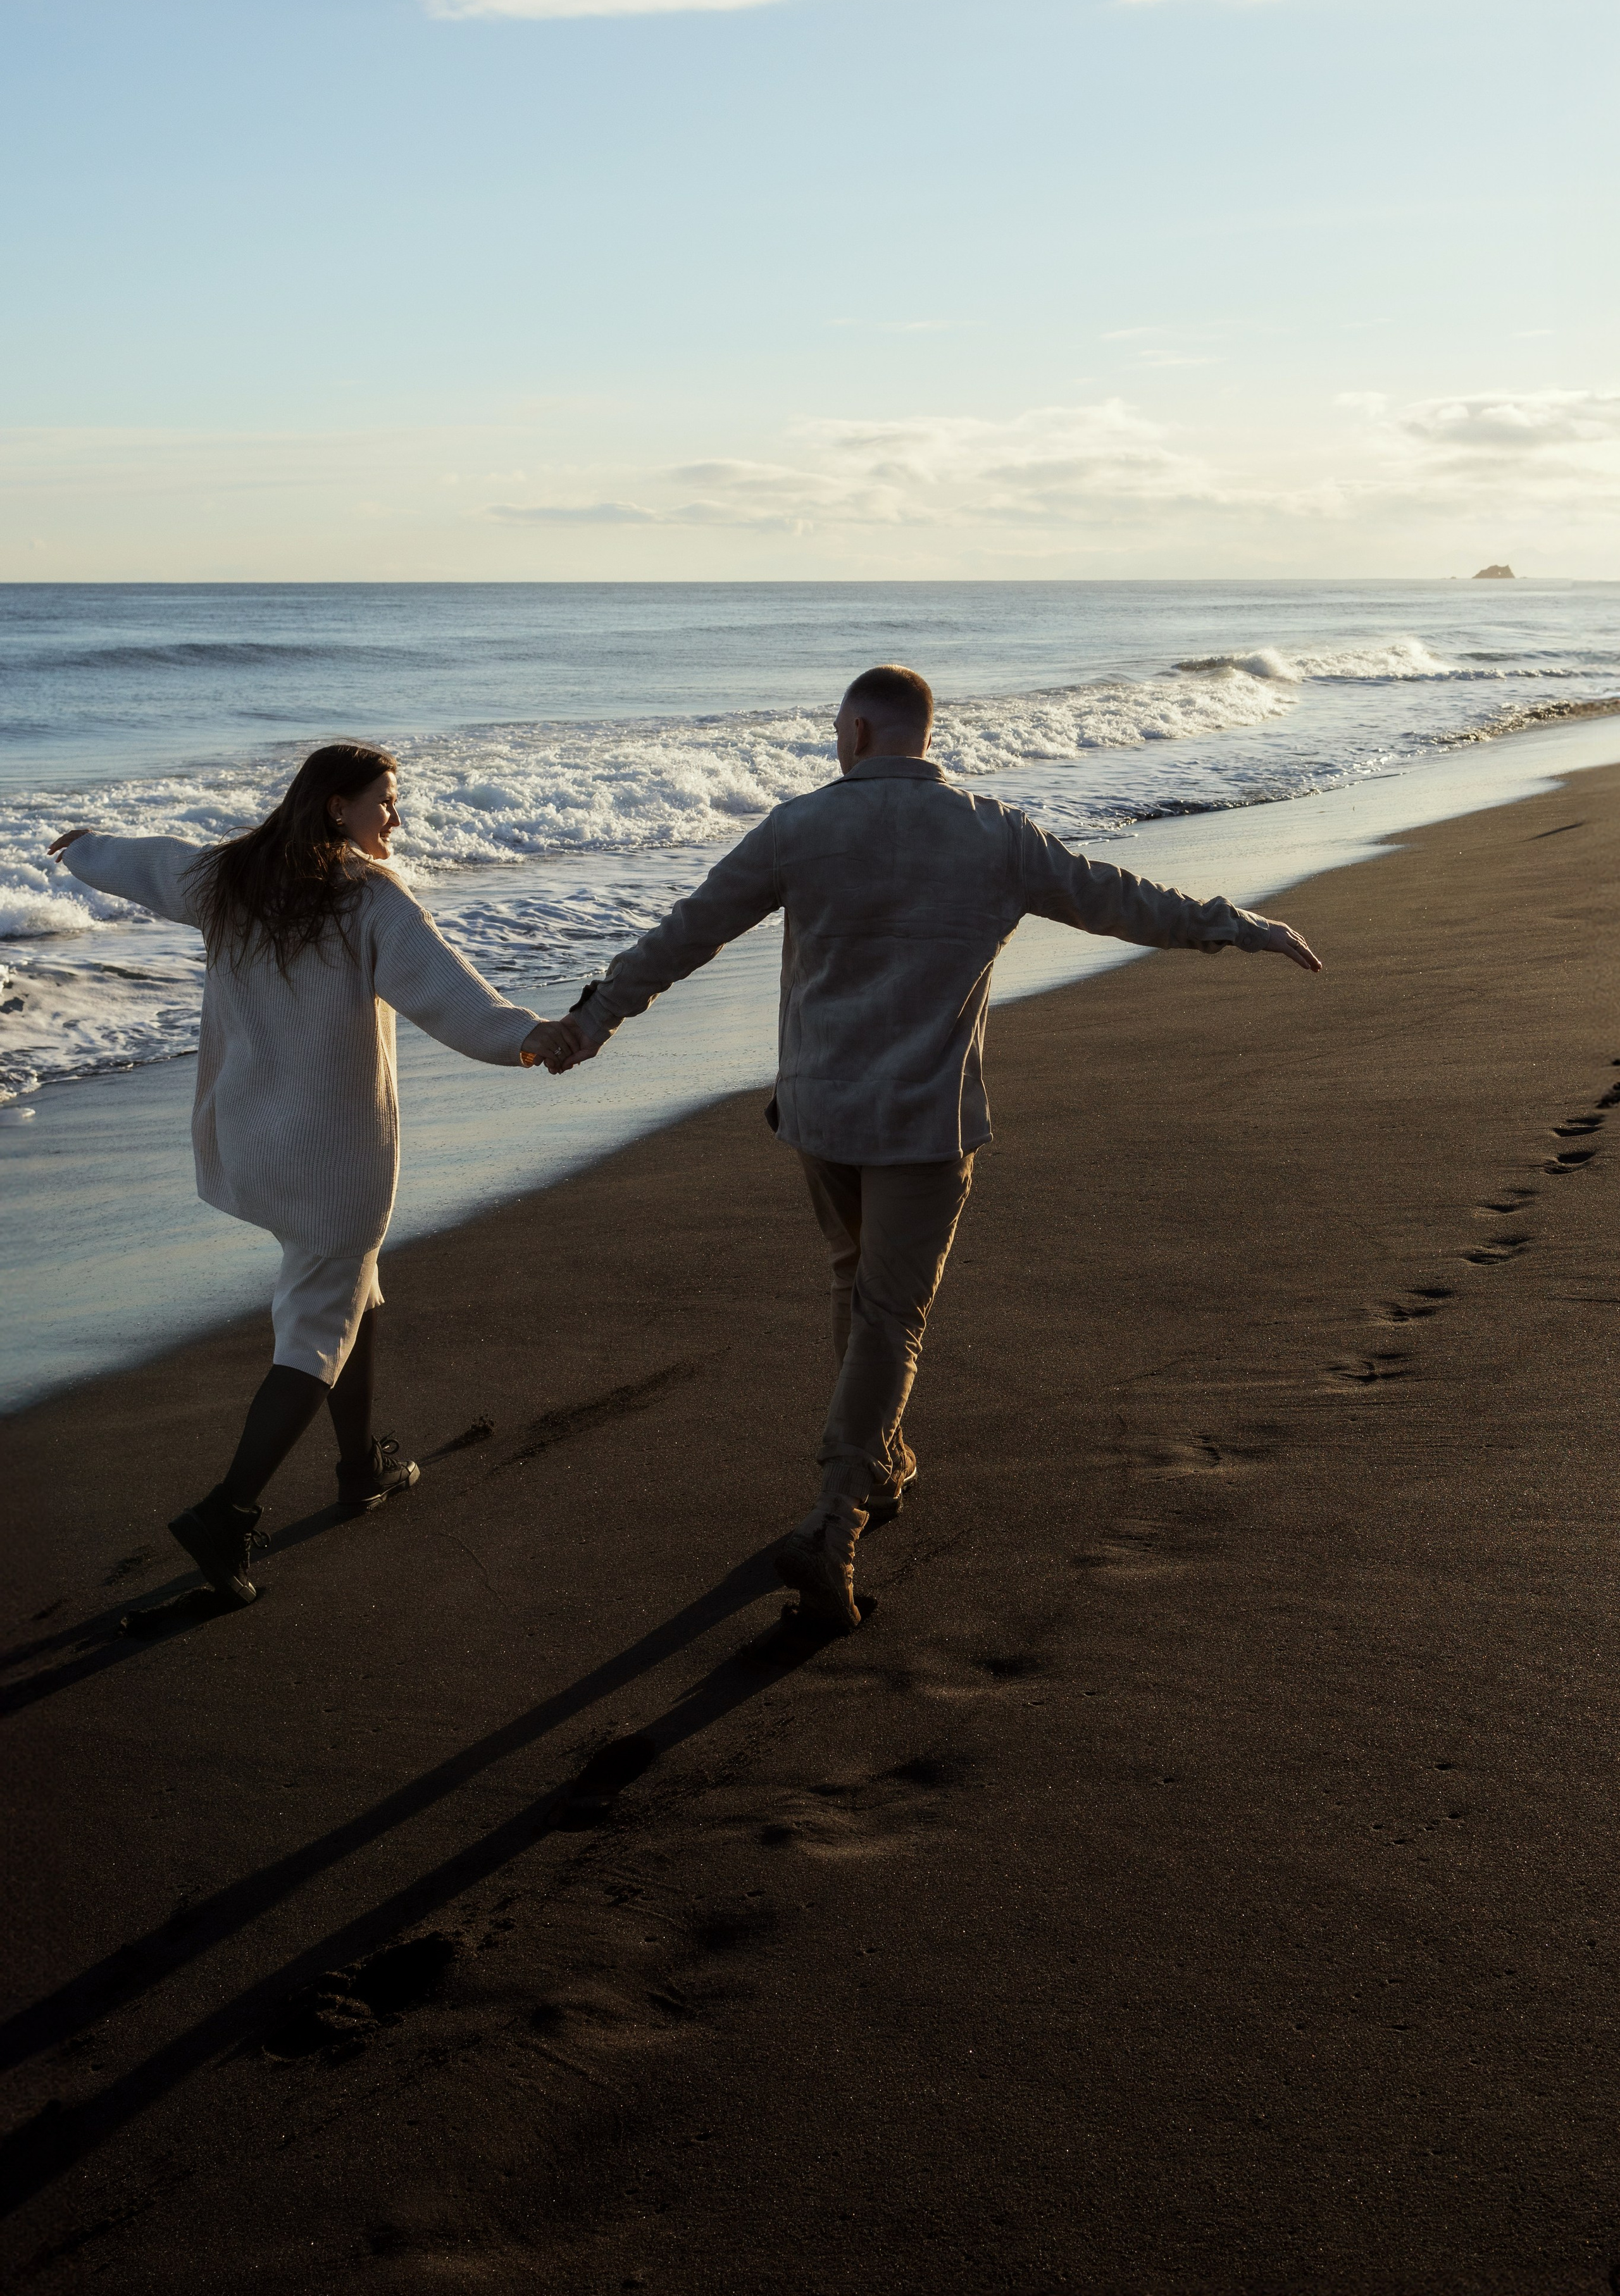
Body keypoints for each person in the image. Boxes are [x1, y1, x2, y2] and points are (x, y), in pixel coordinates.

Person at [541, 664, 1321, 1633]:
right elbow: (1119, 900)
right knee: (888, 1312)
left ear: (862, 733)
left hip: (821, 1115)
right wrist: (1237, 926)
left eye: (838, 728)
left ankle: (882, 1461)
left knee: (857, 1289)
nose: (835, 742)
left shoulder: (799, 826)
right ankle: (835, 1516)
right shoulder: (995, 834)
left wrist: (594, 1019)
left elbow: (684, 934)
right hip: (923, 1121)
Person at [49, 743, 568, 1609]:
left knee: (350, 1293)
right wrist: (529, 1037)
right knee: (316, 1325)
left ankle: (362, 1467)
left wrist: (84, 846)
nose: (396, 820)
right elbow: (451, 998)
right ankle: (227, 1511)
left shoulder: (232, 877)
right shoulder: (369, 898)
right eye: (386, 802)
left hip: (253, 1141)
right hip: (335, 1161)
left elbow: (149, 863)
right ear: (337, 807)